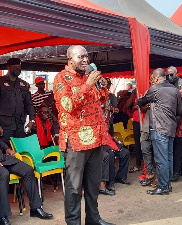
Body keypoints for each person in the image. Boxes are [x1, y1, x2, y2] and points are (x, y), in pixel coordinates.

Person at [53, 45, 116, 225]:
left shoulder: (88, 77)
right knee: (73, 188)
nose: (85, 60)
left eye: (86, 57)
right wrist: (87, 85)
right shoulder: (61, 79)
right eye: (81, 57)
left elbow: (101, 100)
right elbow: (68, 106)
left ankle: (93, 219)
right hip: (75, 142)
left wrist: (100, 85)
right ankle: (73, 222)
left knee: (93, 185)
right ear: (70, 59)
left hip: (96, 139)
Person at [137, 68, 182, 195]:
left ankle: (163, 187)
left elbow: (141, 101)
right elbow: (179, 111)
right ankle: (167, 185)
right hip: (172, 127)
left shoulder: (155, 89)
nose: (152, 81)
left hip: (159, 128)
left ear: (156, 78)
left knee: (161, 159)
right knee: (168, 158)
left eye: (152, 78)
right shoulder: (175, 90)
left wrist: (142, 100)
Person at [0, 58, 35, 146]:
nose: (18, 69)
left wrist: (31, 120)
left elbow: (29, 104)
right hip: (4, 125)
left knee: (20, 148)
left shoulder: (24, 84)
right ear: (9, 67)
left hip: (20, 124)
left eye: (19, 67)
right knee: (5, 148)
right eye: (15, 67)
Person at [166, 66, 182, 182]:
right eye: (168, 74)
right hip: (172, 119)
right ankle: (179, 169)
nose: (169, 77)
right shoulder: (168, 84)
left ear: (176, 73)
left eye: (171, 74)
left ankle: (177, 171)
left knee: (178, 146)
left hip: (181, 119)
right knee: (174, 146)